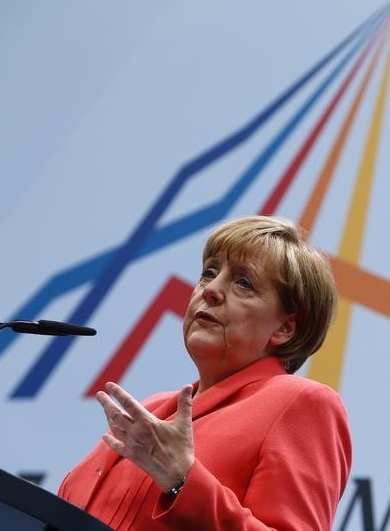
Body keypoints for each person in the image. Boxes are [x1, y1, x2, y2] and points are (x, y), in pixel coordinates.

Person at [58, 215, 352, 530]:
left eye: (243, 282)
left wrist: (183, 481)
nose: (211, 289)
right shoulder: (152, 412)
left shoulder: (302, 403)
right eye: (208, 273)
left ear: (285, 327)